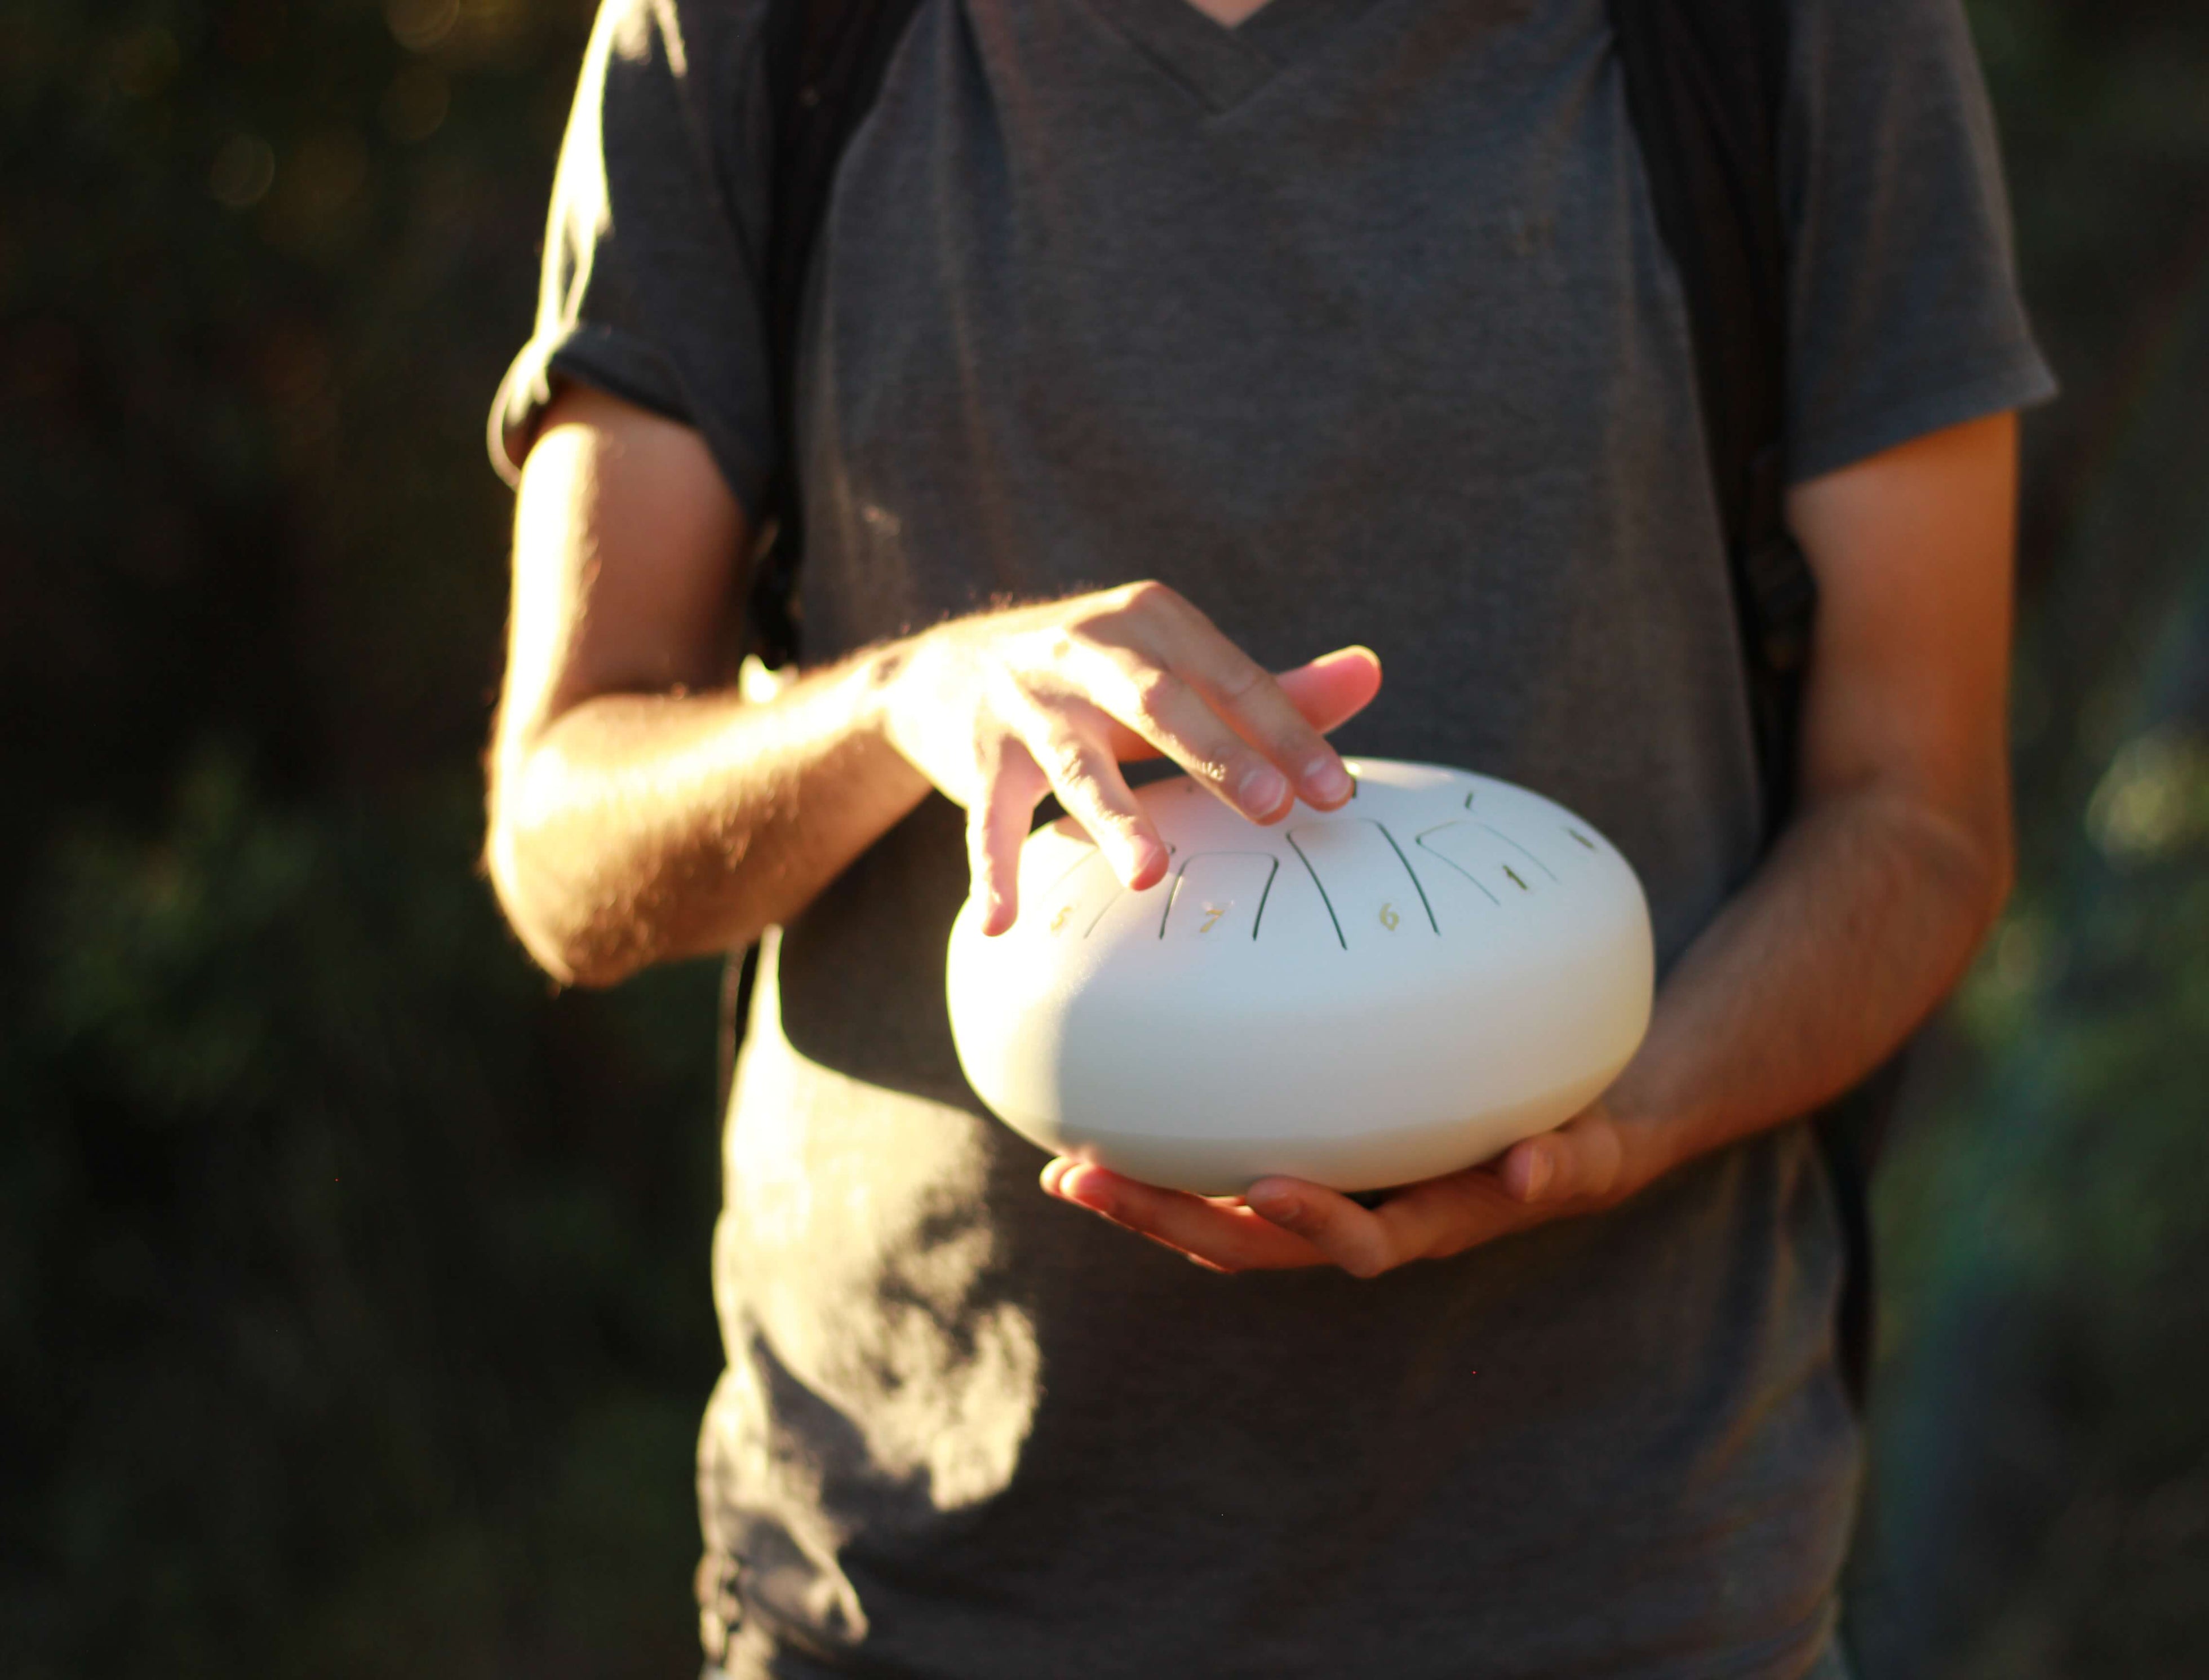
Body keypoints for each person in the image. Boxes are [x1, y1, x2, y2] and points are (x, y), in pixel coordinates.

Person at [482, 0, 2054, 1669]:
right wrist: (900, 703)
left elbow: (1921, 819)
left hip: (1620, 1592)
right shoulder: (749, 34)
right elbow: (563, 840)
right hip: (914, 1591)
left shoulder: (1806, 37)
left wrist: (1617, 1123)